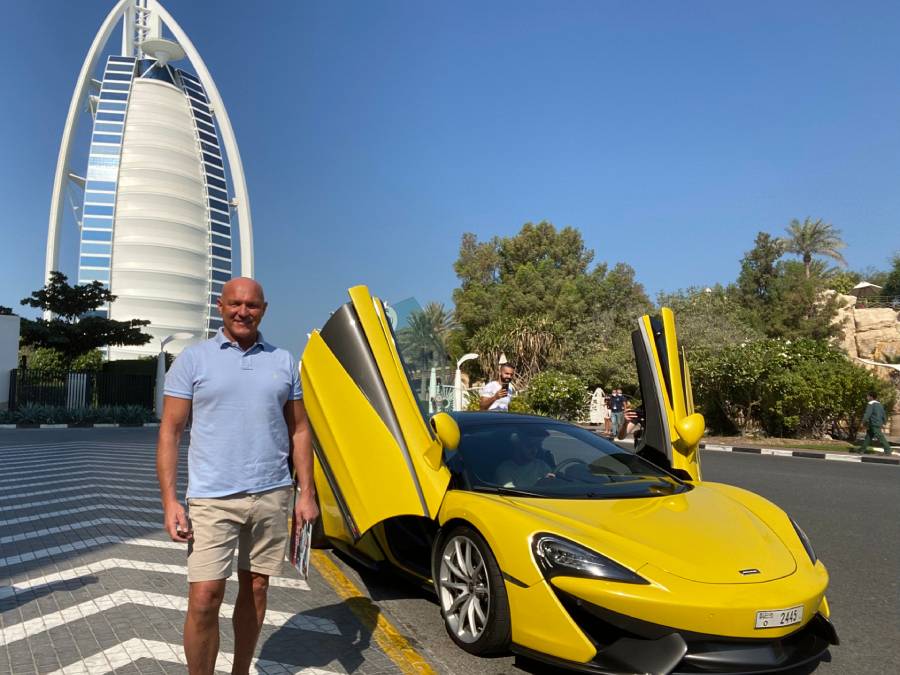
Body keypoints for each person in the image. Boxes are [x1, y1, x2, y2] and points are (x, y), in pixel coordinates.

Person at [156, 277, 319, 675]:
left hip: (272, 494)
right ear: (221, 306)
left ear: (264, 309)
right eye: (235, 304)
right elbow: (170, 431)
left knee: (257, 588)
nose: (243, 312)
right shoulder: (193, 360)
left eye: (252, 305)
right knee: (205, 598)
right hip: (211, 497)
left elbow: (300, 430)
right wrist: (170, 501)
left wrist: (307, 494)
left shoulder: (283, 361)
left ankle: (241, 671)